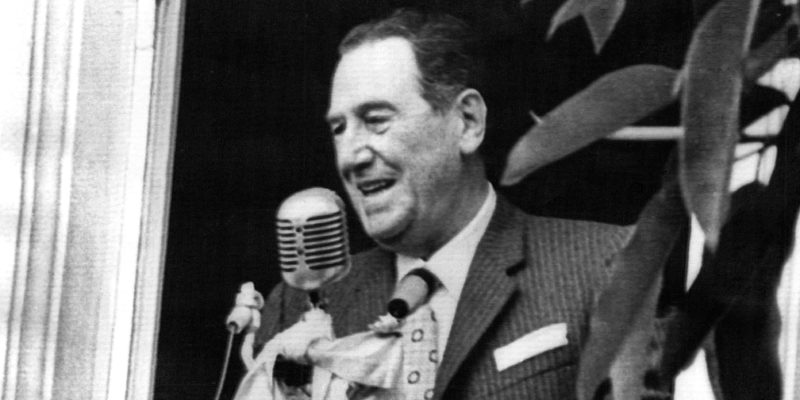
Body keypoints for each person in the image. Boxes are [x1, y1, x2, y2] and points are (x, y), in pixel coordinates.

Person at [256, 9, 632, 400]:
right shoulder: (297, 306)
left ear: (467, 122)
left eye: (376, 119)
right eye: (339, 128)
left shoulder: (606, 264)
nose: (351, 156)